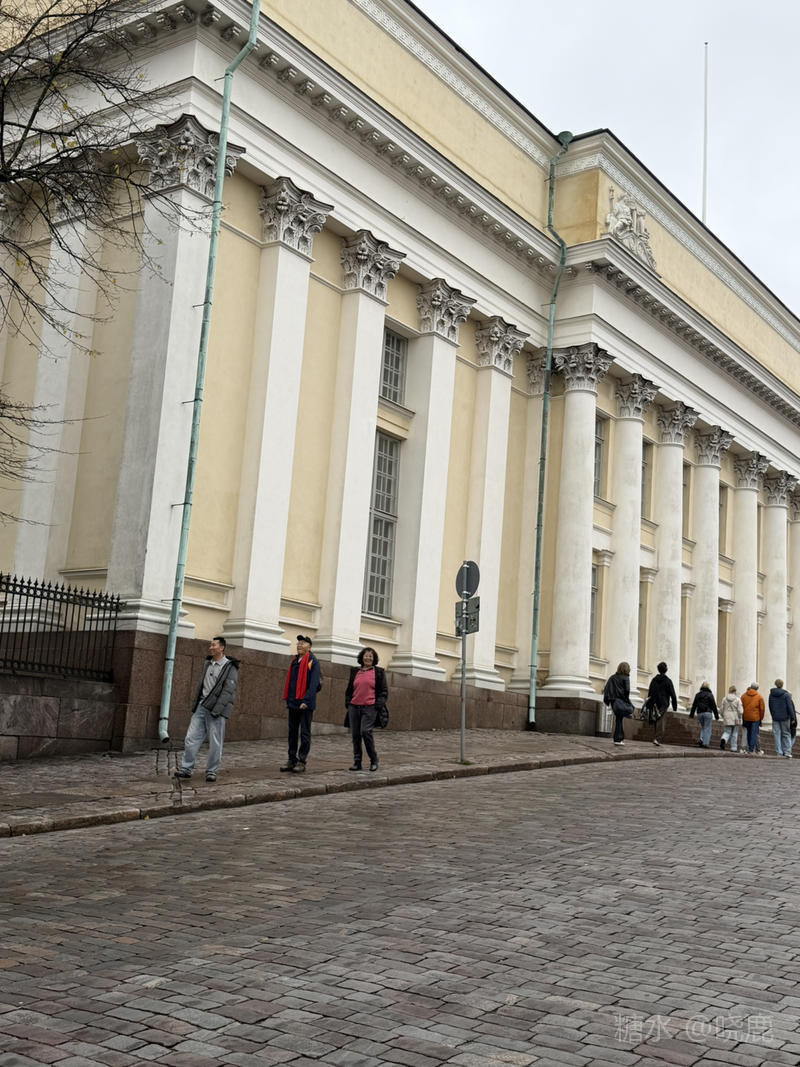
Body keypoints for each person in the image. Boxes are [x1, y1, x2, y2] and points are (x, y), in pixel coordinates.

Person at [174, 636, 240, 783]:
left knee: (215, 742)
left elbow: (228, 691)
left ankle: (211, 771)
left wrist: (217, 710)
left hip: (217, 710)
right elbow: (201, 685)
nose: (211, 647)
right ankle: (186, 768)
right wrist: (197, 703)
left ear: (221, 648)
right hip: (201, 706)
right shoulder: (208, 663)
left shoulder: (230, 667)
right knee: (191, 737)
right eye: (210, 645)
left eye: (213, 645)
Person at [280, 635, 321, 774]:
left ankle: (301, 760)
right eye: (298, 643)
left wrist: (306, 701)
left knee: (304, 733)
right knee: (292, 733)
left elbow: (314, 684)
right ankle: (291, 759)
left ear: (309, 647)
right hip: (293, 702)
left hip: (305, 704)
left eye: (303, 643)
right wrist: (289, 699)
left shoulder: (313, 662)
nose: (299, 645)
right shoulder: (294, 661)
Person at [344, 646, 388, 772]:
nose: (368, 658)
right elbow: (349, 689)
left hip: (370, 707)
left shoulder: (378, 672)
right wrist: (348, 702)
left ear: (374, 659)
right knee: (355, 735)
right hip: (354, 706)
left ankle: (373, 760)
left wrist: (377, 705)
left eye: (370, 656)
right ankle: (357, 762)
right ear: (362, 657)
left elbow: (384, 691)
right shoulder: (355, 671)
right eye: (366, 655)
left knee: (365, 732)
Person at [645, 661, 677, 747]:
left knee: (656, 719)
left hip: (654, 702)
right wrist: (674, 706)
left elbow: (650, 691)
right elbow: (673, 695)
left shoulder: (654, 680)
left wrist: (649, 703)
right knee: (660, 720)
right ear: (666, 670)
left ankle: (656, 737)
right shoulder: (668, 681)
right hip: (663, 703)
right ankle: (657, 738)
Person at [603, 661, 632, 746]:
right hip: (621, 701)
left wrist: (608, 700)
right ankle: (618, 739)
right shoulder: (626, 678)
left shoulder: (612, 677)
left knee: (619, 719)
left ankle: (619, 738)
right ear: (627, 669)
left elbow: (607, 689)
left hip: (614, 702)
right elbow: (627, 691)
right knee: (619, 719)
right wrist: (627, 701)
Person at [768, 679, 796, 759]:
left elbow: (770, 706)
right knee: (786, 734)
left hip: (775, 717)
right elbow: (790, 707)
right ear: (782, 685)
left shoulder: (771, 694)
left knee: (776, 735)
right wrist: (793, 717)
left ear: (775, 684)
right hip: (785, 717)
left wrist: (773, 715)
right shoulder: (786, 695)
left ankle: (779, 752)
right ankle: (787, 752)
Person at [689, 681, 718, 748]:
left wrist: (691, 714)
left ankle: (701, 739)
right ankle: (705, 743)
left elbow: (694, 705)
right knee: (707, 728)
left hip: (699, 713)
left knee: (704, 727)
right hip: (708, 713)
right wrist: (716, 716)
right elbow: (713, 705)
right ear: (708, 687)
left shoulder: (697, 695)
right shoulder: (710, 695)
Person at [741, 683, 765, 755]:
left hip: (746, 717)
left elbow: (741, 706)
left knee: (748, 733)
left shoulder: (743, 696)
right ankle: (751, 749)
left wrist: (743, 716)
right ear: (757, 688)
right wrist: (761, 718)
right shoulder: (759, 697)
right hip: (755, 718)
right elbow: (762, 709)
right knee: (754, 733)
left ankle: (749, 748)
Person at [719, 685, 743, 752]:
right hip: (735, 718)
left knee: (727, 731)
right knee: (734, 733)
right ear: (735, 691)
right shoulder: (737, 699)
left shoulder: (724, 699)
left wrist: (723, 715)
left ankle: (724, 739)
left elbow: (721, 709)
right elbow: (740, 711)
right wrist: (740, 716)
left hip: (727, 717)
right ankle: (733, 748)